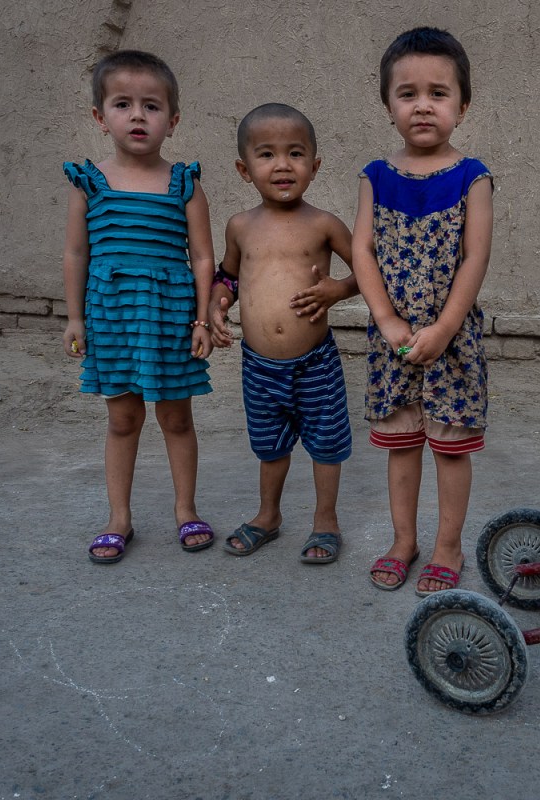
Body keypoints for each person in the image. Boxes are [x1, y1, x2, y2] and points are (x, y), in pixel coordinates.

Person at [351, 27, 493, 595]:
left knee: (451, 449)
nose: (423, 105)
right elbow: (362, 251)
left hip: (451, 340)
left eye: (438, 93)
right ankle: (403, 540)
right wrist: (388, 320)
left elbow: (475, 257)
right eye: (407, 94)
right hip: (393, 340)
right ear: (388, 106)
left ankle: (447, 546)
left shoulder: (472, 177)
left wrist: (446, 327)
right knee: (402, 444)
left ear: (463, 105)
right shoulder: (375, 177)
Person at [62, 50, 216, 564]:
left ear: (172, 120)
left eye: (151, 106)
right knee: (123, 419)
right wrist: (75, 318)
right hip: (113, 318)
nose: (137, 116)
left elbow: (202, 257)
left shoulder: (185, 184)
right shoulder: (89, 183)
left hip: (170, 318)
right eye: (123, 104)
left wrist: (202, 320)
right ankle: (118, 518)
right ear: (99, 116)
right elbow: (76, 253)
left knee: (176, 418)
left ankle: (185, 509)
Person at [208, 103, 358, 564]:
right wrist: (217, 303)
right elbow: (228, 276)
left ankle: (326, 520)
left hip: (315, 362)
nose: (282, 165)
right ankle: (268, 515)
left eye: (295, 153)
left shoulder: (324, 224)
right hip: (259, 365)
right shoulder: (240, 226)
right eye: (267, 154)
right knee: (269, 445)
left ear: (315, 165)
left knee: (326, 443)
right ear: (244, 169)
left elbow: (369, 271)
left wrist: (338, 290)